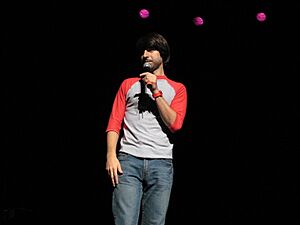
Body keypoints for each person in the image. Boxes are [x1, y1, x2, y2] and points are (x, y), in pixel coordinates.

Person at [105, 32, 187, 225]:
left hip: (161, 163)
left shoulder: (178, 88)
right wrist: (111, 155)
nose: (145, 54)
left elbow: (175, 124)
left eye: (151, 49)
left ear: (163, 55)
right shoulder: (128, 84)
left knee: (155, 222)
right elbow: (114, 122)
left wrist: (155, 90)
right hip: (128, 161)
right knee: (124, 221)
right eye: (143, 51)